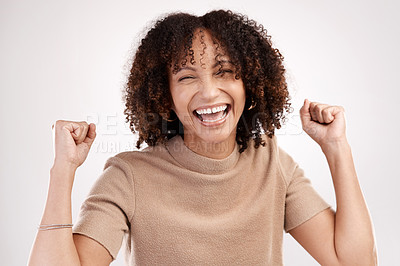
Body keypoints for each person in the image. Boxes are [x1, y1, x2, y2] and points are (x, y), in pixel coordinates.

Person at [29, 10, 377, 265]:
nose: (210, 92)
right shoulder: (127, 177)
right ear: (164, 95)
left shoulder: (271, 163)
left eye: (224, 71)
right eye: (187, 77)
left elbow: (355, 263)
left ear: (249, 84)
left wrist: (337, 148)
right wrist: (63, 171)